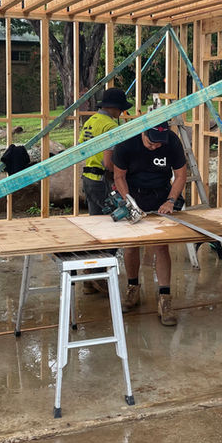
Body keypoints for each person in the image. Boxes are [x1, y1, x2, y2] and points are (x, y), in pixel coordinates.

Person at [111, 122, 187, 326]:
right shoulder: (127, 142)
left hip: (160, 196)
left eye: (158, 144)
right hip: (133, 194)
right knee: (130, 245)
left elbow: (180, 175)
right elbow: (119, 176)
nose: (154, 147)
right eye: (151, 143)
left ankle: (165, 298)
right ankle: (133, 288)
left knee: (161, 246)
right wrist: (129, 201)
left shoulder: (172, 141)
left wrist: (170, 201)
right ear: (143, 133)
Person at [78, 87, 131, 294]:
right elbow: (109, 163)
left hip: (88, 179)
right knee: (115, 228)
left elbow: (82, 147)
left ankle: (89, 278)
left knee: (96, 229)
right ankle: (98, 275)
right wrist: (123, 173)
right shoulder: (110, 126)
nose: (121, 113)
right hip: (103, 181)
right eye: (121, 109)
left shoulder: (91, 121)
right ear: (115, 108)